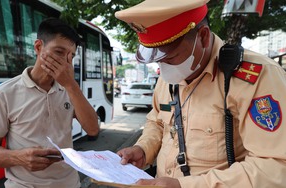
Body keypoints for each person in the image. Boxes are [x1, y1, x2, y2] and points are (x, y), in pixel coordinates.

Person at [115, 0, 286, 187]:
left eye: (170, 58)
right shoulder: (169, 76)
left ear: (203, 36)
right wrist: (143, 148)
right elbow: (157, 122)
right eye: (158, 60)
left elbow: (276, 167)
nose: (162, 69)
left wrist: (184, 186)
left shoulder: (256, 78)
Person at [0, 18, 99, 188]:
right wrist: (18, 157)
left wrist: (71, 85)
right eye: (59, 52)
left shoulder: (70, 90)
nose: (66, 62)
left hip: (69, 183)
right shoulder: (4, 93)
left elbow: (93, 129)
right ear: (38, 47)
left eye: (71, 56)